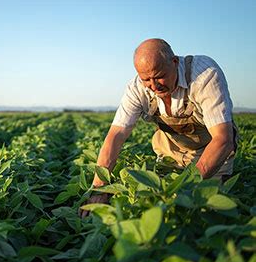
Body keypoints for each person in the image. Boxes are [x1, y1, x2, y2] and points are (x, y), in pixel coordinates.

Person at [79, 38, 237, 218]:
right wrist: (100, 189)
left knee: (203, 210)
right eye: (146, 79)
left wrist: (182, 189)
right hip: (170, 154)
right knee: (149, 207)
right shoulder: (136, 88)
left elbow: (223, 140)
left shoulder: (204, 75)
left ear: (175, 62)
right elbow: (116, 135)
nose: (154, 86)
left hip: (211, 155)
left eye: (159, 76)